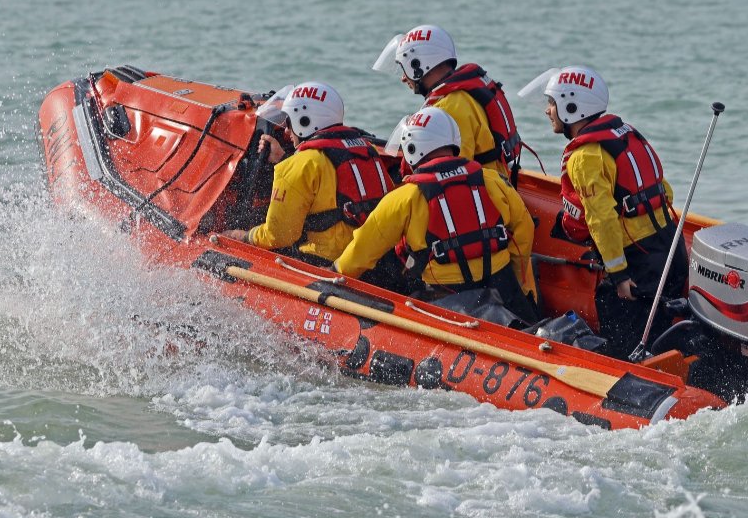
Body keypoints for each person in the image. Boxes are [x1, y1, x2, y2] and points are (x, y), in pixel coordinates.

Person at [518, 65, 687, 359]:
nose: (547, 111)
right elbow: (664, 191)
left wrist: (619, 275)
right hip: (670, 248)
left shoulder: (585, 157)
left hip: (639, 266)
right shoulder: (625, 133)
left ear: (571, 106)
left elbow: (601, 219)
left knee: (623, 338)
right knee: (657, 335)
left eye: (552, 103)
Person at [334, 107, 538, 324]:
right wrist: (518, 279)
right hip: (504, 287)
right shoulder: (492, 180)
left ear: (412, 147)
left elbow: (362, 250)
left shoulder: (406, 197)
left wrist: (335, 272)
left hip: (447, 297)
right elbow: (524, 230)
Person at [221, 82, 406, 289]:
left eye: (288, 123)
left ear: (305, 121)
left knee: (248, 242)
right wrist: (283, 158)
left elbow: (279, 235)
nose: (286, 130)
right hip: (377, 262)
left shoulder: (299, 165)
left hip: (325, 262)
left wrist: (243, 235)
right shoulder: (367, 149)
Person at [372, 25, 523, 183]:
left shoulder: (450, 107)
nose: (403, 78)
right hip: (496, 183)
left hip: (482, 192)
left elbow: (452, 174)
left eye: (404, 69)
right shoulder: (462, 95)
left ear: (418, 65)